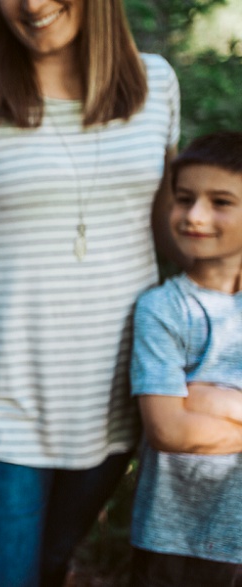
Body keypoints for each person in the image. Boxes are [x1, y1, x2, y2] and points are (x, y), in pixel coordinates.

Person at [0, 0, 180, 585]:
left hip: (116, 392)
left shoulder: (156, 84)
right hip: (2, 394)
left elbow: (170, 221)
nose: (32, 5)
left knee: (50, 567)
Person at [128, 131, 242, 587]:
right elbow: (169, 429)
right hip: (174, 541)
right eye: (184, 198)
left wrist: (212, 402)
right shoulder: (163, 308)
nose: (196, 216)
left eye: (220, 202)